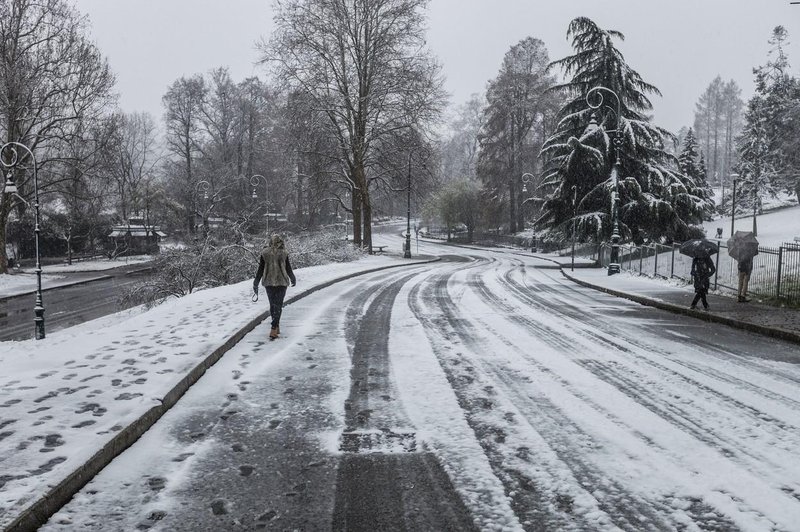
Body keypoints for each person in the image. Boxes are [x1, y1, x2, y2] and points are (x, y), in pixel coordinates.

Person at [253, 234, 296, 339]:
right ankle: (274, 327)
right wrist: (293, 278)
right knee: (278, 305)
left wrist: (256, 282)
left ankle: (275, 326)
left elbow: (261, 268)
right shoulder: (284, 253)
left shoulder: (265, 253)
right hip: (281, 282)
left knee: (273, 305)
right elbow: (288, 268)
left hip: (269, 282)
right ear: (280, 242)